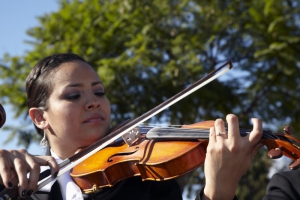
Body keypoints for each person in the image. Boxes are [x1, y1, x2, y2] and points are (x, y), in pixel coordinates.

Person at [0, 53, 263, 200]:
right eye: (73, 95)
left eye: (99, 92)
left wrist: (219, 191)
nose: (93, 102)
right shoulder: (20, 190)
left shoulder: (146, 182)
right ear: (39, 117)